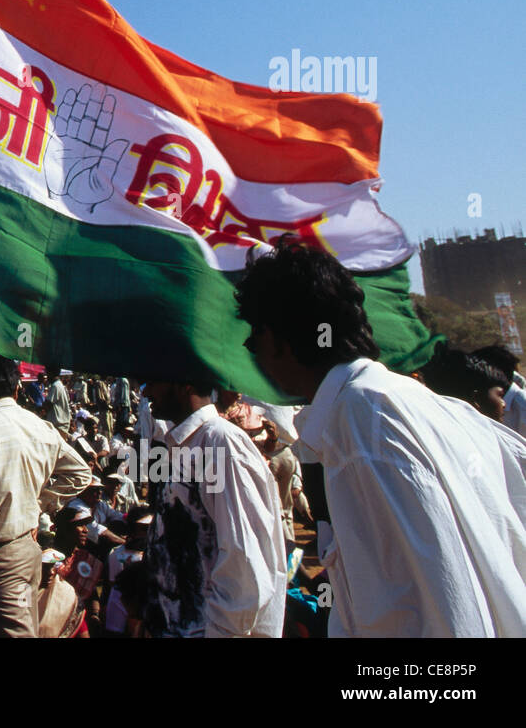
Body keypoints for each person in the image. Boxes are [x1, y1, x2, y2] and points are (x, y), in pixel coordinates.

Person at [236, 238, 526, 637]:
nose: (252, 350)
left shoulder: (363, 424)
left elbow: (451, 608)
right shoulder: (396, 403)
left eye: (255, 334)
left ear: (279, 339)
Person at [0, 352, 91, 637]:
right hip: (27, 549)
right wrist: (43, 503)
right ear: (17, 389)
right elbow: (81, 473)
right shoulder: (41, 426)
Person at [138, 379, 286, 638]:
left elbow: (245, 565)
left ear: (185, 383)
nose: (147, 392)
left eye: (155, 381)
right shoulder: (184, 445)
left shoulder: (221, 444)